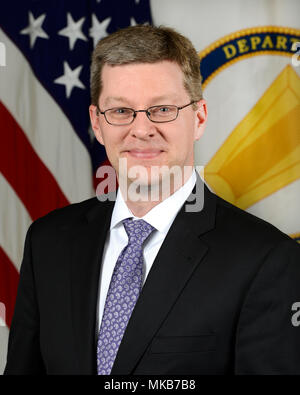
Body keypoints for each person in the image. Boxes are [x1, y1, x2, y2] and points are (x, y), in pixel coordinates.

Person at [4, 25, 300, 375]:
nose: (141, 129)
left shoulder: (266, 260)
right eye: (120, 111)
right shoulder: (47, 242)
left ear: (199, 117)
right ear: (97, 123)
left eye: (162, 109)